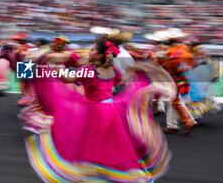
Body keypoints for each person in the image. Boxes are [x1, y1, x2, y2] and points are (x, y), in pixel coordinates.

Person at [25, 40, 175, 182]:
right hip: (112, 110)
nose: (89, 52)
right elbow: (119, 80)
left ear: (100, 55)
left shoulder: (90, 71)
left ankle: (93, 174)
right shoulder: (112, 70)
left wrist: (55, 68)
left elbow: (68, 79)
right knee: (113, 146)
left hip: (96, 112)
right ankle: (120, 174)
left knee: (88, 145)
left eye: (92, 49)